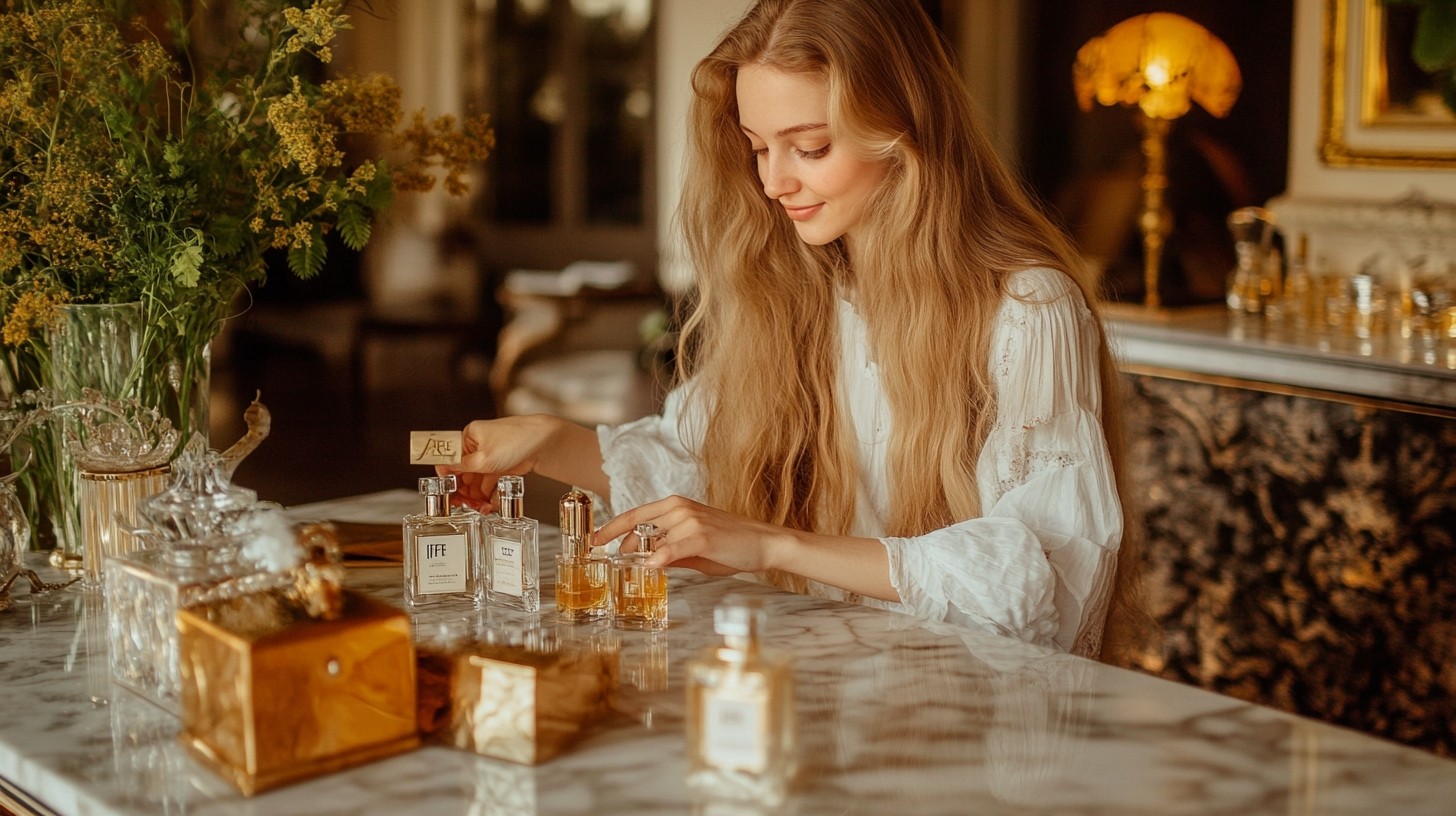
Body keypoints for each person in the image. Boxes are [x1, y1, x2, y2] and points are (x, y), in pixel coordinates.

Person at [445, 0, 1143, 660]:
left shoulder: (1026, 309)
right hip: (821, 693)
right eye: (757, 148)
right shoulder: (798, 289)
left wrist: (779, 548)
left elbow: (1048, 579)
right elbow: (706, 467)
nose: (774, 182)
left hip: (967, 727)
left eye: (808, 148)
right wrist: (550, 442)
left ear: (903, 132)